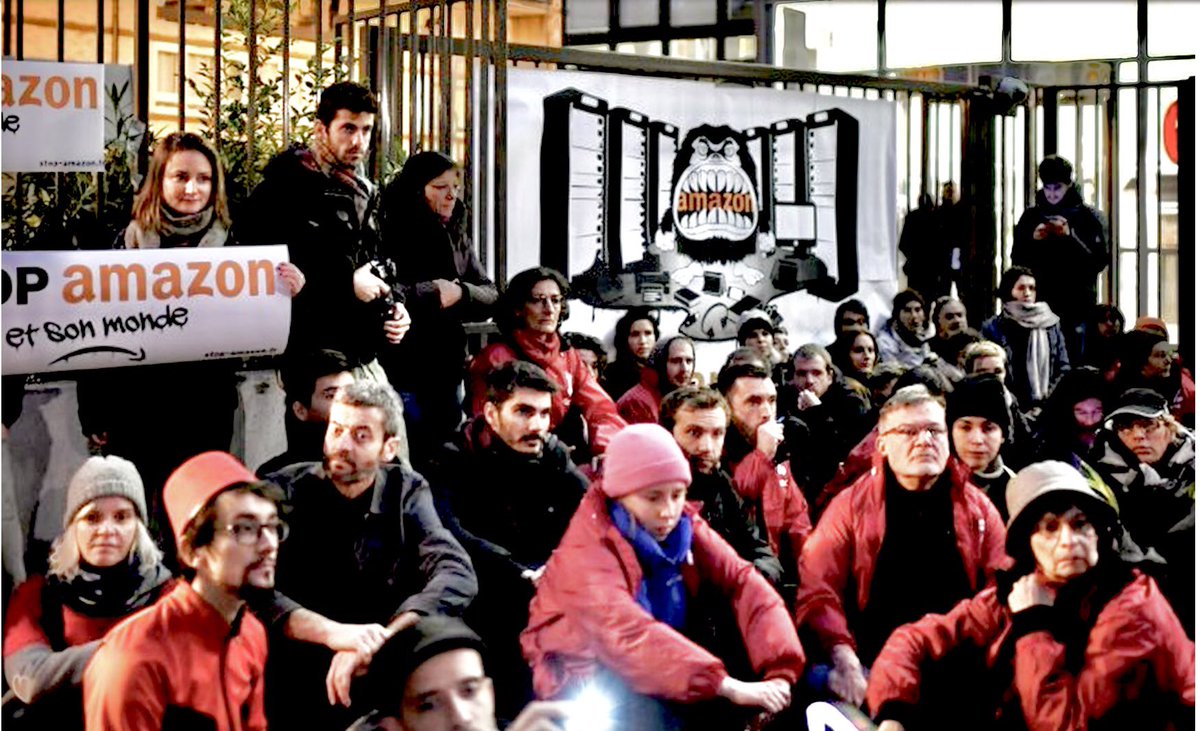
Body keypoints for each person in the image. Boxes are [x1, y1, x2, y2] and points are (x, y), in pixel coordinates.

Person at [74, 132, 303, 557]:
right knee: (135, 523)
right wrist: (95, 411)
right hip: (132, 410)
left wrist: (287, 290)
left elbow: (259, 329)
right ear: (159, 180)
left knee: (195, 523)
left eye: (203, 178)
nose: (192, 188)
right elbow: (96, 333)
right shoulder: (120, 245)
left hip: (203, 410)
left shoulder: (237, 248)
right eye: (180, 176)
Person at [866, 461, 1194, 730]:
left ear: (1098, 532)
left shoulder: (1132, 604)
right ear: (1029, 545)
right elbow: (916, 639)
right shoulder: (1026, 587)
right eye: (1050, 528)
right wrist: (894, 712)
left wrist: (1034, 626)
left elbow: (1070, 724)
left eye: (1081, 524)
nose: (1068, 541)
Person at [521, 424, 805, 731]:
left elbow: (742, 580)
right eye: (653, 497)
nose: (668, 511)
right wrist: (724, 685)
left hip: (667, 659)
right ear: (619, 495)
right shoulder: (586, 549)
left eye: (677, 495)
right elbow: (626, 633)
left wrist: (781, 670)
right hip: (584, 678)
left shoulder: (683, 523)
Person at [259, 381, 478, 729]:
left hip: (378, 668)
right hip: (294, 672)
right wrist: (332, 633)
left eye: (361, 436)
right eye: (336, 430)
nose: (342, 446)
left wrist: (379, 642)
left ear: (388, 448)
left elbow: (455, 572)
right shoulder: (281, 489)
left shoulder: (406, 489)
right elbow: (248, 585)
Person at [795, 385, 1008, 707]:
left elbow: (1001, 588)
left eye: (934, 430)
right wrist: (845, 658)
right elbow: (818, 592)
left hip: (959, 667)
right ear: (882, 444)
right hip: (871, 667)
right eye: (908, 432)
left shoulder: (978, 509)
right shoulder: (850, 508)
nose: (924, 441)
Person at [425, 361, 587, 721]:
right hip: (483, 606)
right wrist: (518, 573)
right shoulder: (453, 459)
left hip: (549, 602)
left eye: (544, 413)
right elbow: (451, 533)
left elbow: (594, 511)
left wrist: (564, 563)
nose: (537, 425)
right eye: (524, 412)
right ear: (491, 413)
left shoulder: (553, 454)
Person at [82, 451, 283, 730]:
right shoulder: (133, 657)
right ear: (192, 551)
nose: (269, 544)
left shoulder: (251, 633)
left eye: (272, 526)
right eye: (245, 528)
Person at [236, 81, 410, 372]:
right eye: (348, 129)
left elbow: (378, 263)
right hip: (305, 362)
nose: (358, 141)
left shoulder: (366, 193)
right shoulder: (280, 190)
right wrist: (346, 286)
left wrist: (394, 303)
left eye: (366, 130)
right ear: (321, 129)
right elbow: (258, 276)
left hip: (362, 356)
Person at [3, 457, 172, 727]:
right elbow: (30, 678)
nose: (107, 530)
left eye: (121, 517)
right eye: (92, 517)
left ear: (138, 527)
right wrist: (132, 647)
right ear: (73, 527)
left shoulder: (169, 596)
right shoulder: (36, 595)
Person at [379, 151, 498, 463]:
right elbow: (381, 291)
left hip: (446, 370)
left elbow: (491, 294)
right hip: (403, 368)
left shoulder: (455, 231)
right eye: (440, 187)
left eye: (455, 187)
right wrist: (430, 292)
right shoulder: (390, 230)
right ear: (417, 189)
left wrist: (460, 292)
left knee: (447, 460)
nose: (451, 195)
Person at [468, 267, 627, 459]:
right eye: (538, 300)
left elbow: (601, 408)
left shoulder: (567, 355)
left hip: (557, 455)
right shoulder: (496, 358)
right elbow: (486, 426)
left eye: (555, 300)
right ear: (518, 309)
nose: (549, 309)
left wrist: (606, 449)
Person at [1089, 388, 1195, 634]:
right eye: (1126, 427)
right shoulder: (1102, 473)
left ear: (1169, 427)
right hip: (1132, 591)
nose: (1138, 436)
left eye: (1148, 426)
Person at [660, 386, 785, 588]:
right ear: (668, 433)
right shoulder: (652, 493)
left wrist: (751, 579)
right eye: (694, 433)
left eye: (717, 434)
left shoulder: (720, 481)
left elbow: (760, 550)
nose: (707, 447)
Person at [716, 362, 813, 592]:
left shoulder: (777, 457)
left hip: (771, 581)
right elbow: (734, 506)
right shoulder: (713, 453)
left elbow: (798, 525)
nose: (767, 412)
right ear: (727, 408)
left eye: (771, 400)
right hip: (732, 584)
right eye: (754, 402)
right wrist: (761, 456)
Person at [1012, 155, 1111, 358]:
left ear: (1068, 185)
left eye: (1057, 188)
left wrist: (1070, 237)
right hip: (1040, 302)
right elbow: (1017, 262)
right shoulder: (1031, 217)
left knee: (1073, 357)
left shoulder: (1088, 218)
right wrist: (1033, 240)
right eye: (1047, 188)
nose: (1052, 194)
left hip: (1077, 305)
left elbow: (1098, 262)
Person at [780, 344, 874, 507]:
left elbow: (848, 450)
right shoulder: (785, 397)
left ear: (829, 376)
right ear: (792, 377)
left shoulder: (851, 400)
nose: (809, 381)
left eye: (816, 373)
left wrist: (817, 412)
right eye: (801, 374)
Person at [981, 267, 1071, 412]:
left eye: (1032, 288)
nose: (1027, 293)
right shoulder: (993, 327)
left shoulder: (1051, 324)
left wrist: (1048, 401)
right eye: (1021, 288)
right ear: (1009, 290)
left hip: (1047, 407)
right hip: (1009, 406)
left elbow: (1063, 367)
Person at [257, 348, 355, 475]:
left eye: (352, 392)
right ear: (300, 410)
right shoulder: (276, 476)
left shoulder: (374, 464)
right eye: (331, 395)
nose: (348, 402)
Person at [947, 374, 1015, 521]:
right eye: (965, 428)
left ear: (1003, 435)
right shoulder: (932, 485)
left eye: (988, 428)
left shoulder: (1016, 489)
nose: (977, 440)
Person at [1115, 329, 1195, 428]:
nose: (1168, 360)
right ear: (1141, 362)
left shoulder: (1176, 380)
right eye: (1160, 356)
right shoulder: (1124, 395)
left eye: (1170, 354)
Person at [1033, 366, 1107, 465]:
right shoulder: (1046, 445)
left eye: (1096, 412)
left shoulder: (1111, 437)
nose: (1089, 421)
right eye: (1082, 412)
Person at [618, 335, 696, 425]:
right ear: (660, 363)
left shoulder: (682, 397)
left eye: (689, 361)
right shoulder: (637, 403)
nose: (685, 369)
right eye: (675, 361)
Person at [602, 307, 660, 401]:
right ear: (624, 339)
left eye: (648, 333)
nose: (642, 341)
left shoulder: (663, 370)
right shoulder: (612, 374)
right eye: (635, 334)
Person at [875, 290, 938, 369]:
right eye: (907, 310)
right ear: (897, 315)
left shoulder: (925, 336)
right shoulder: (886, 344)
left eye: (917, 310)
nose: (914, 315)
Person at [929, 296, 968, 362]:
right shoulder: (927, 349)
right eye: (950, 317)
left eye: (959, 315)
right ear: (937, 321)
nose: (956, 320)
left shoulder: (977, 346)